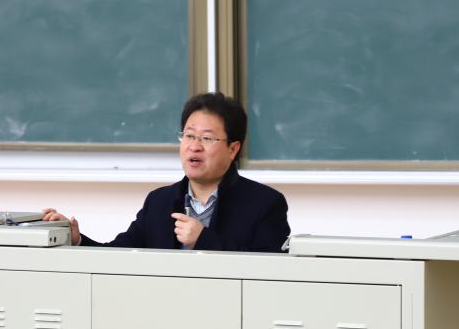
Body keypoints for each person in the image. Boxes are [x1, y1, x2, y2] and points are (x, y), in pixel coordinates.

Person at [42, 92, 290, 252]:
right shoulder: (160, 201)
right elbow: (120, 255)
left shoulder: (265, 204)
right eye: (189, 136)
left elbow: (272, 272)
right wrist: (76, 240)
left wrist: (203, 239)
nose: (194, 146)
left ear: (233, 149)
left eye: (207, 138)